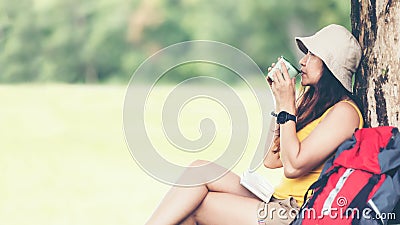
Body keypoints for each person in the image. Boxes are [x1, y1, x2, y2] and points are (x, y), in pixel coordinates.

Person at [145, 24, 364, 225]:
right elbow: (271, 159)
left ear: (331, 64)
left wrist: (288, 107)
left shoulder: (345, 113)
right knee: (199, 170)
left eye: (312, 55)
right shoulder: (314, 104)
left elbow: (293, 166)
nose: (302, 61)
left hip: (299, 214)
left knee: (198, 207)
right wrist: (279, 103)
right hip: (279, 202)